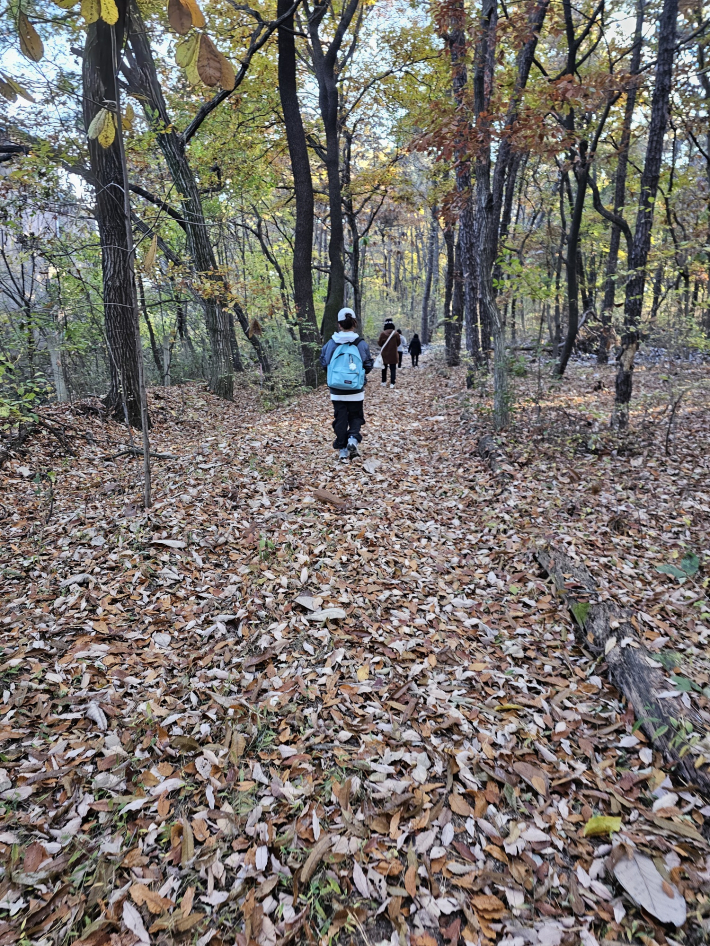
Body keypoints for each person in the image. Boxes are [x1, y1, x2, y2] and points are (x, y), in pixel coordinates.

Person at [319, 307, 374, 462]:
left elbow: (324, 361)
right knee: (356, 416)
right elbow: (368, 365)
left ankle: (342, 449)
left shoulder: (331, 343)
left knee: (340, 418)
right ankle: (353, 439)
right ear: (354, 323)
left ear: (339, 324)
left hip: (336, 389)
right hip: (356, 389)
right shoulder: (360, 344)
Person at [377, 319, 400, 387]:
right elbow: (398, 343)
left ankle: (383, 382)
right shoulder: (396, 334)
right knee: (393, 369)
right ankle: (392, 383)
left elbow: (380, 343)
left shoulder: (382, 334)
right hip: (393, 354)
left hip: (385, 354)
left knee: (384, 368)